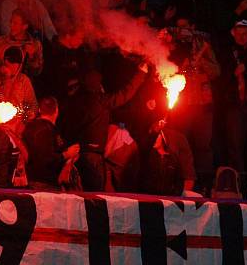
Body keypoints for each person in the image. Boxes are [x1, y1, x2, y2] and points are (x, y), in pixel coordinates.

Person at [60, 63, 148, 191]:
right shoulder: (101, 100)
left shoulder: (74, 102)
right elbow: (125, 94)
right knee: (95, 198)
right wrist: (141, 73)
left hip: (78, 155)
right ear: (96, 84)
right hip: (94, 158)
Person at [162, 17, 220, 191]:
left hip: (202, 105)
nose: (182, 31)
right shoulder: (172, 46)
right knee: (180, 145)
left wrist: (200, 61)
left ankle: (204, 186)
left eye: (185, 27)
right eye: (179, 28)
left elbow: (216, 71)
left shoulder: (203, 47)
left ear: (192, 27)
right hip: (182, 106)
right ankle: (179, 183)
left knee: (203, 147)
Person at [217, 20, 247, 173]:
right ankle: (238, 184)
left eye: (245, 34)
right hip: (234, 105)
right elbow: (219, 79)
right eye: (238, 34)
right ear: (234, 34)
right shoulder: (227, 52)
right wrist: (233, 74)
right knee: (235, 147)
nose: (241, 37)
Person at [23, 96, 80, 190]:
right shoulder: (47, 130)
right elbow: (46, 158)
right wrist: (67, 154)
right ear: (57, 110)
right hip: (45, 184)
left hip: (32, 180)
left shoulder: (29, 128)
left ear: (40, 110)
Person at [140, 120, 197, 196]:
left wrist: (179, 202)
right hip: (149, 199)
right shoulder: (147, 155)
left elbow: (188, 177)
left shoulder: (173, 157)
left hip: (170, 200)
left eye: (157, 136)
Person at [0, 9, 44, 78]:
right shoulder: (1, 41)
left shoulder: (35, 44)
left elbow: (36, 72)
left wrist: (32, 57)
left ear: (25, 26)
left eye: (15, 23)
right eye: (11, 21)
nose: (11, 25)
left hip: (23, 87)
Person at [0, 47, 38, 124]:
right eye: (8, 63)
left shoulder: (23, 80)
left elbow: (33, 103)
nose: (12, 66)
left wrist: (30, 114)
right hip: (1, 122)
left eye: (15, 64)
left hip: (19, 124)